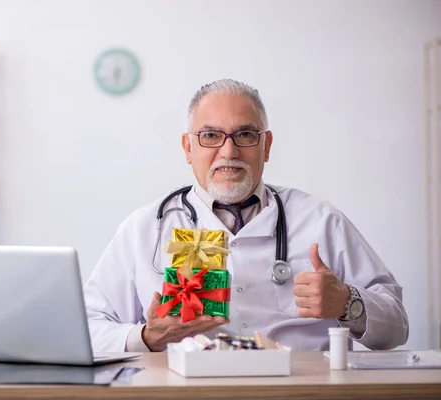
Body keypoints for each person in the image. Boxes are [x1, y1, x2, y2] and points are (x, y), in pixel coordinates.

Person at [83, 79, 409, 352]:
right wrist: (147, 337)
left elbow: (397, 327)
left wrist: (347, 303)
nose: (229, 151)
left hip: (299, 392)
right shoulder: (146, 228)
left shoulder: (321, 220)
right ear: (187, 148)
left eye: (245, 135)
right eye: (210, 136)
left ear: (265, 146)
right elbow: (87, 329)